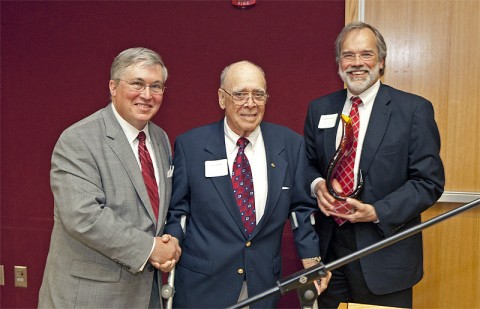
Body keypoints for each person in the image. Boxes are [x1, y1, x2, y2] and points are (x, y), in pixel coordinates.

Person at [164, 60, 330, 308]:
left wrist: (312, 258)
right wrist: (171, 244)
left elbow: (300, 209)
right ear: (222, 98)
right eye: (240, 94)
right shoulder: (191, 146)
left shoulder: (290, 144)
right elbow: (179, 209)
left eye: (258, 94)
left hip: (262, 284)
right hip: (203, 285)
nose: (250, 103)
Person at [304, 21, 445, 308]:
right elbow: (306, 163)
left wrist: (376, 211)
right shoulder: (319, 108)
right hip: (329, 254)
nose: (357, 63)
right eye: (348, 55)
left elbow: (428, 182)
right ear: (338, 63)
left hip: (385, 254)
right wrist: (317, 184)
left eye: (366, 54)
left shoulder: (413, 110)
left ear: (381, 62)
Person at [38, 47, 181, 308]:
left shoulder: (160, 139)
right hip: (89, 297)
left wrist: (169, 241)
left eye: (156, 86)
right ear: (113, 87)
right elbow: (83, 216)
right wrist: (150, 249)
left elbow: (156, 213)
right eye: (137, 84)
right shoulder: (78, 139)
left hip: (143, 296)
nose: (147, 95)